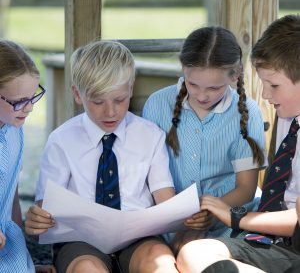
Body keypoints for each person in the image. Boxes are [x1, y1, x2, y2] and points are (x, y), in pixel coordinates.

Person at [25, 40, 179, 273]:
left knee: (159, 261)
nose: (110, 111)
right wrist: (39, 218)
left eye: (119, 100)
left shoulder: (151, 135)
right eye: (97, 102)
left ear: (131, 88)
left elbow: (166, 201)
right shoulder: (61, 140)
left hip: (139, 238)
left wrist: (180, 216)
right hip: (80, 241)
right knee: (87, 268)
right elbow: (46, 205)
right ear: (78, 94)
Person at [176, 14, 300, 273]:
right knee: (193, 255)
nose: (265, 95)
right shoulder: (287, 116)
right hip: (268, 241)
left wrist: (235, 216)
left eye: (274, 85)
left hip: (286, 239)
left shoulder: (254, 112)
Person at [142, 26, 266, 250]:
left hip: (228, 222)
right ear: (183, 69)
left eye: (214, 87)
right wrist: (181, 220)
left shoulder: (248, 113)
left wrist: (212, 213)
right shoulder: (157, 105)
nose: (201, 95)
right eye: (193, 84)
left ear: (235, 75)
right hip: (167, 221)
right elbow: (147, 174)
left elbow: (246, 188)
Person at [0, 39, 45, 272]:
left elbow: (11, 192)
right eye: (19, 102)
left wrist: (25, 260)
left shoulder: (15, 129)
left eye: (32, 97)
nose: (29, 108)